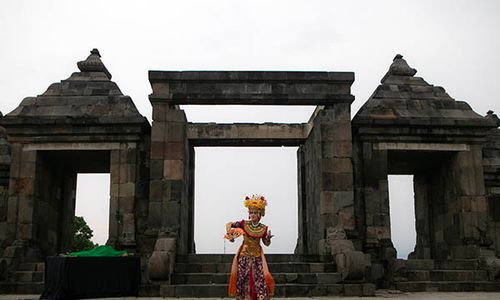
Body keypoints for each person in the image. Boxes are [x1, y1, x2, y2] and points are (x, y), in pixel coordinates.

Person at [225, 194, 275, 300]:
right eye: (251, 212)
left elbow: (266, 243)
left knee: (259, 279)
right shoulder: (244, 224)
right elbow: (229, 224)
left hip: (257, 257)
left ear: (260, 214)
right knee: (242, 280)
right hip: (244, 256)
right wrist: (230, 235)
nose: (252, 215)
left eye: (255, 213)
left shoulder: (263, 228)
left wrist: (268, 239)